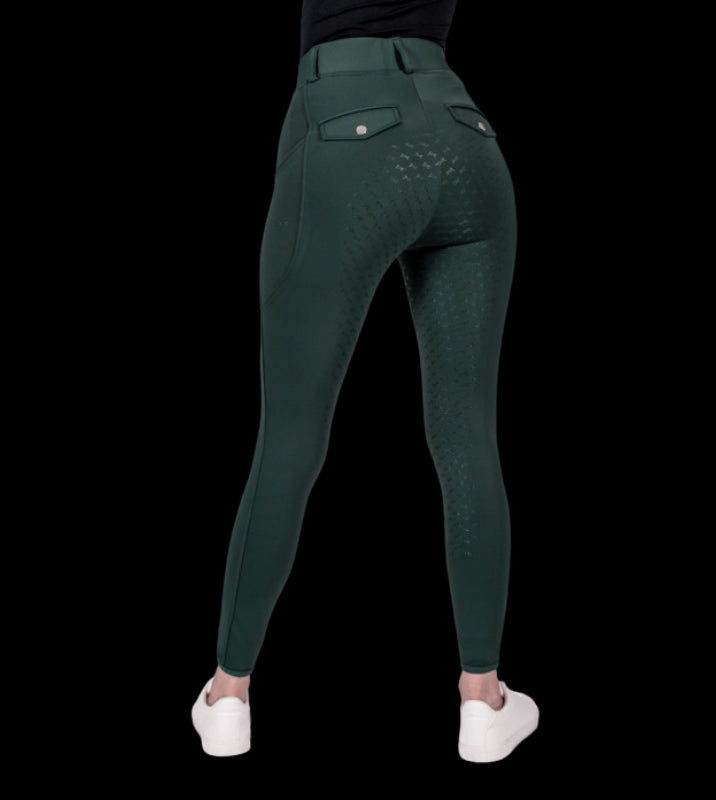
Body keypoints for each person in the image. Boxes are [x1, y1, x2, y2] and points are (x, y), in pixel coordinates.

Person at [191, 0, 539, 762]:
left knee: (290, 439)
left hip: (347, 129)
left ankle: (228, 695)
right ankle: (483, 699)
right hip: (464, 131)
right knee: (468, 436)